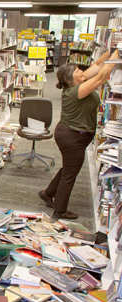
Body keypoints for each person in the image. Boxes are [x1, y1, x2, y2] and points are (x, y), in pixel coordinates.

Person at [38, 49, 118, 219]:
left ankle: (48, 193)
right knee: (70, 174)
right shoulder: (77, 91)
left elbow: (97, 67)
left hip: (72, 135)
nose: (81, 71)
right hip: (72, 137)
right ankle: (59, 210)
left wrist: (111, 51)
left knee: (68, 168)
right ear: (70, 79)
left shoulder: (78, 83)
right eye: (77, 71)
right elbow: (101, 77)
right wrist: (117, 56)